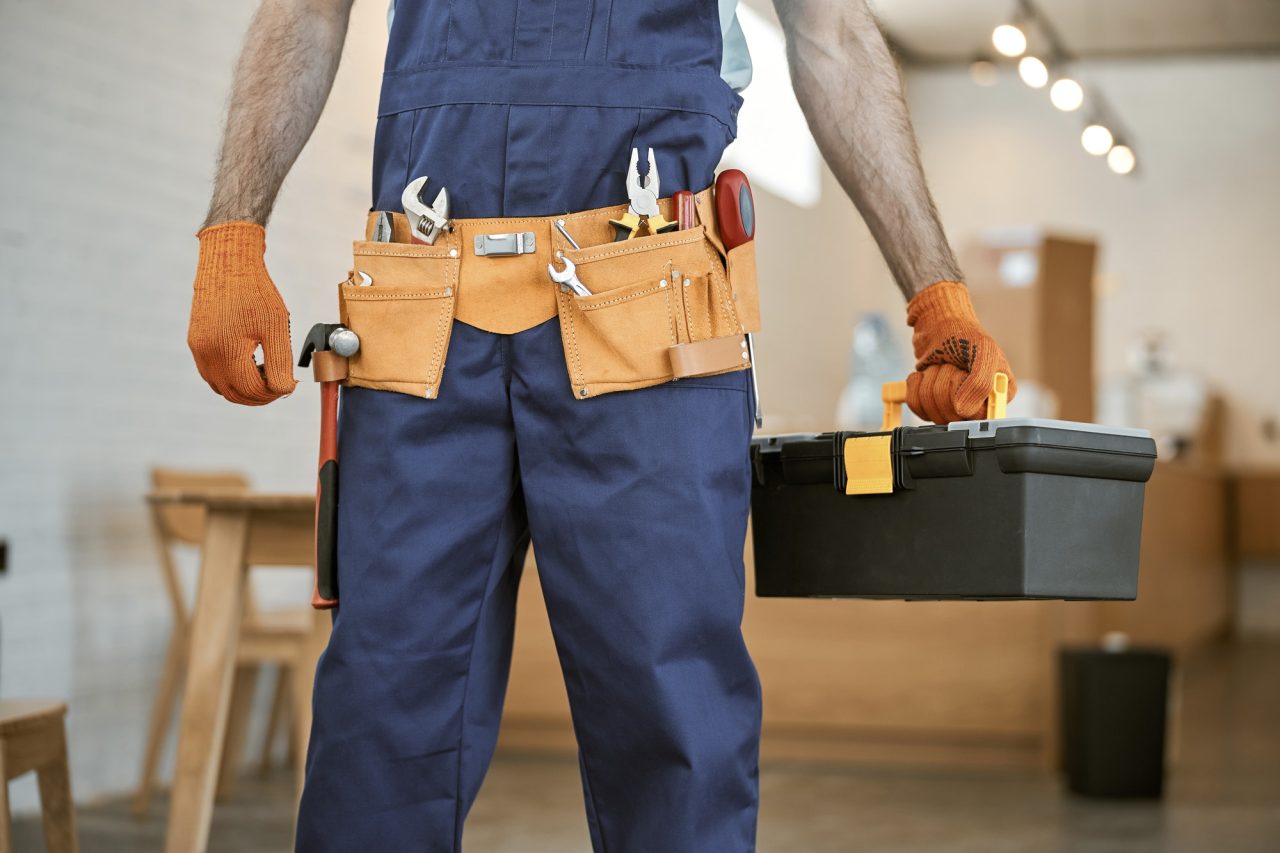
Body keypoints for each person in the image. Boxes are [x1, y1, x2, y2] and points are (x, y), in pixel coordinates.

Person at [186, 1, 1015, 850]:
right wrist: (233, 231)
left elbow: (831, 32)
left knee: (673, 736)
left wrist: (934, 293)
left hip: (649, 326)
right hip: (420, 321)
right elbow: (310, 11)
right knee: (379, 726)